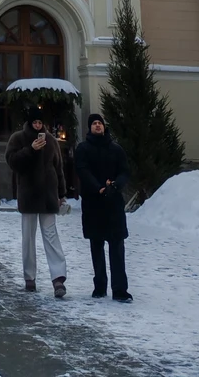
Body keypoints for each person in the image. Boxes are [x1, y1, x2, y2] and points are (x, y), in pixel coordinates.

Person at [5, 110, 68, 298]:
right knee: (28, 238)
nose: (38, 126)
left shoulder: (52, 142)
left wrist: (62, 193)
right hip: (29, 195)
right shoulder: (18, 139)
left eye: (41, 122)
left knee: (51, 236)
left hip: (48, 196)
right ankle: (29, 277)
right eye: (35, 122)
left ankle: (58, 278)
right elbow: (13, 161)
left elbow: (59, 169)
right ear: (30, 123)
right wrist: (30, 149)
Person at [74, 112, 131, 301]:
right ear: (89, 128)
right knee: (96, 247)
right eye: (94, 123)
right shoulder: (83, 149)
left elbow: (124, 171)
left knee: (117, 248)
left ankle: (119, 289)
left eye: (100, 123)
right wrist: (98, 188)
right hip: (93, 205)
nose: (98, 126)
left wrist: (114, 186)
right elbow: (82, 171)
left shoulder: (116, 149)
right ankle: (99, 286)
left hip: (113, 204)